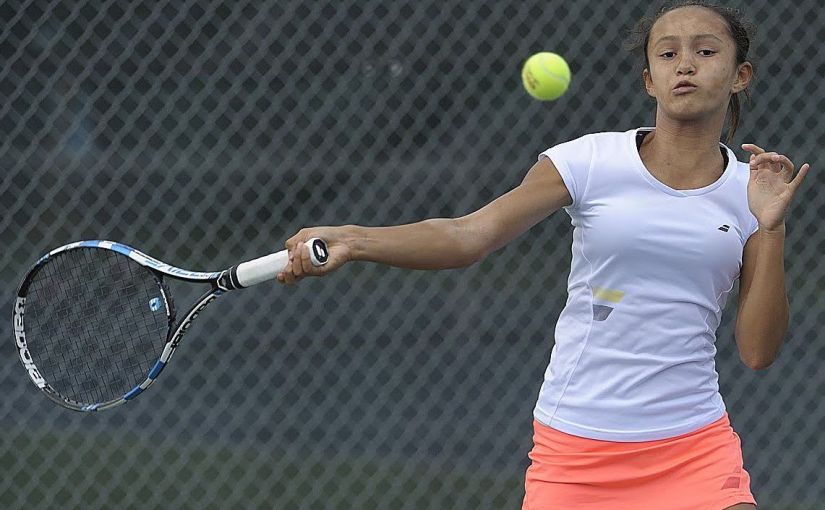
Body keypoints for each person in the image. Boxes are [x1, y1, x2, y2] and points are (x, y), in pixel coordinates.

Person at [277, 2, 811, 508]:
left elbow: (757, 352)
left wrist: (770, 228)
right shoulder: (588, 161)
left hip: (695, 444)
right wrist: (354, 238)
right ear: (649, 79)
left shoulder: (753, 193)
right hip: (578, 447)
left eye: (706, 51)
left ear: (741, 75)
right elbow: (468, 235)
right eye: (667, 53)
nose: (685, 65)